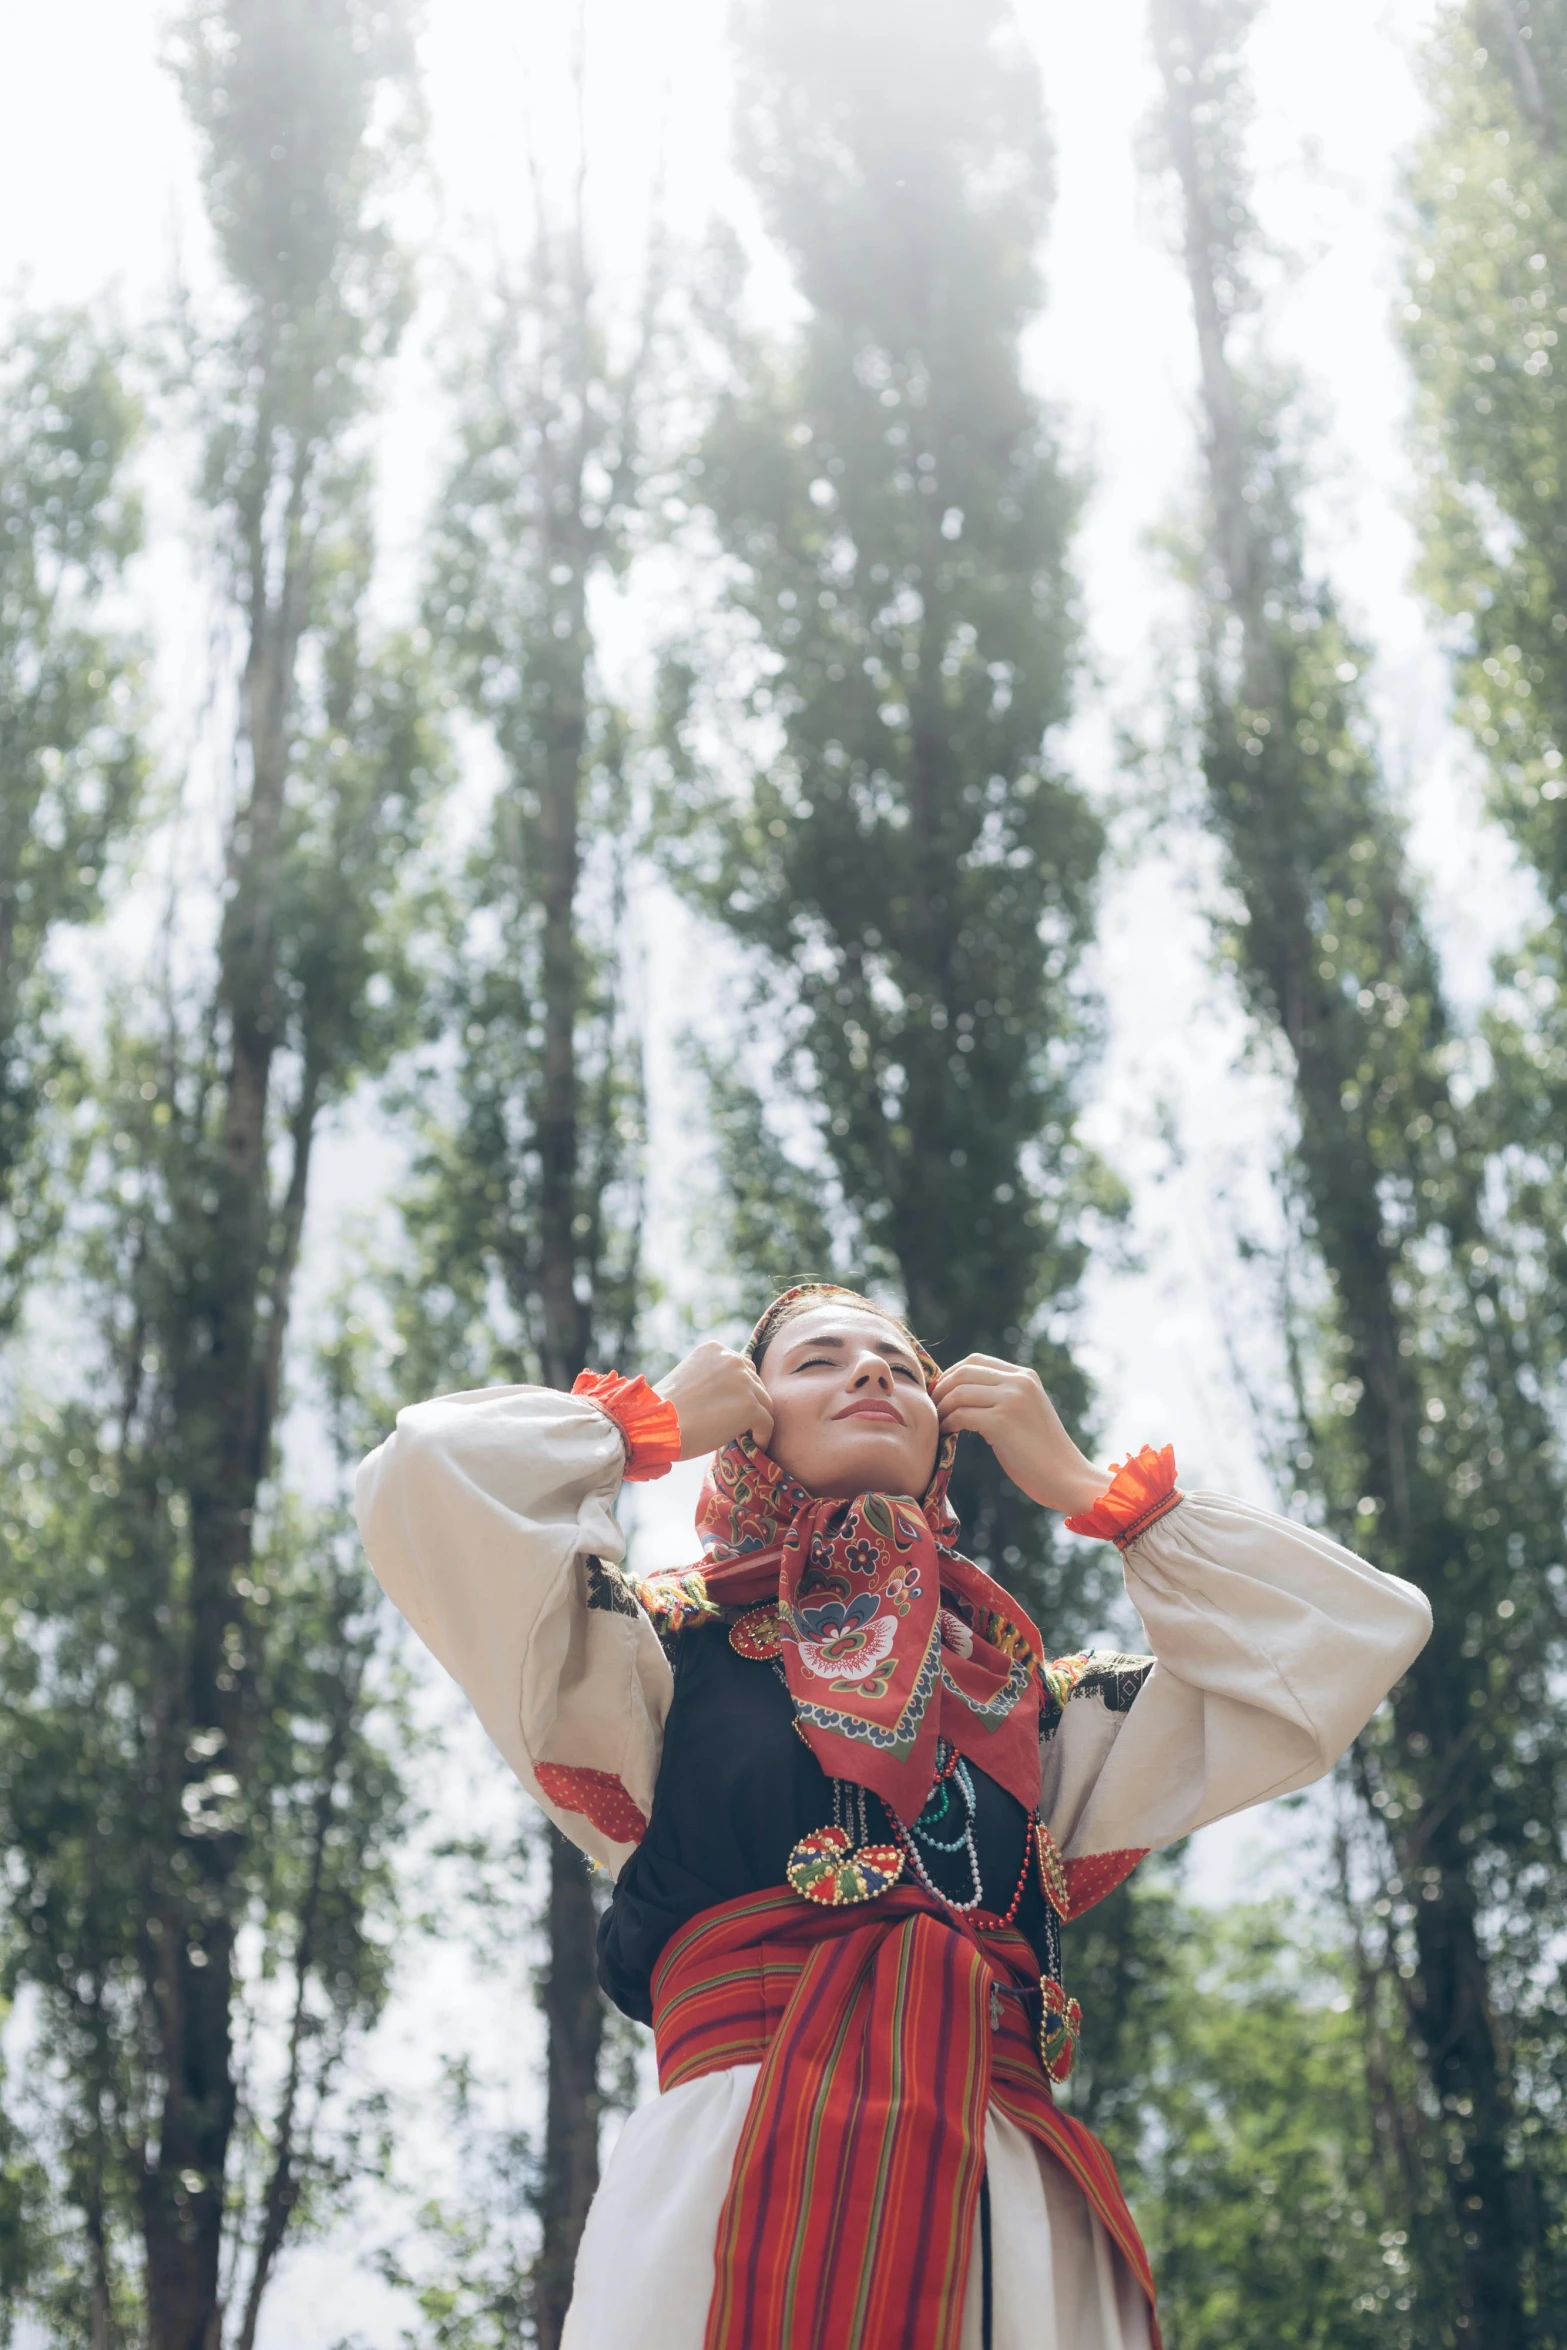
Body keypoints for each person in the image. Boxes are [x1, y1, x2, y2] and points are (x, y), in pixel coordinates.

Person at [356, 1283, 1432, 2350]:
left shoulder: (1041, 1714)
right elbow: (427, 1476)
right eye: (818, 1359)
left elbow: (1351, 1637)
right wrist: (654, 1421)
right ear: (750, 1427)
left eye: (905, 1368)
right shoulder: (652, 1650)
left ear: (947, 1442)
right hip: (732, 2158)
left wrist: (1093, 1490)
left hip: (1008, 2185)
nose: (871, 1372)